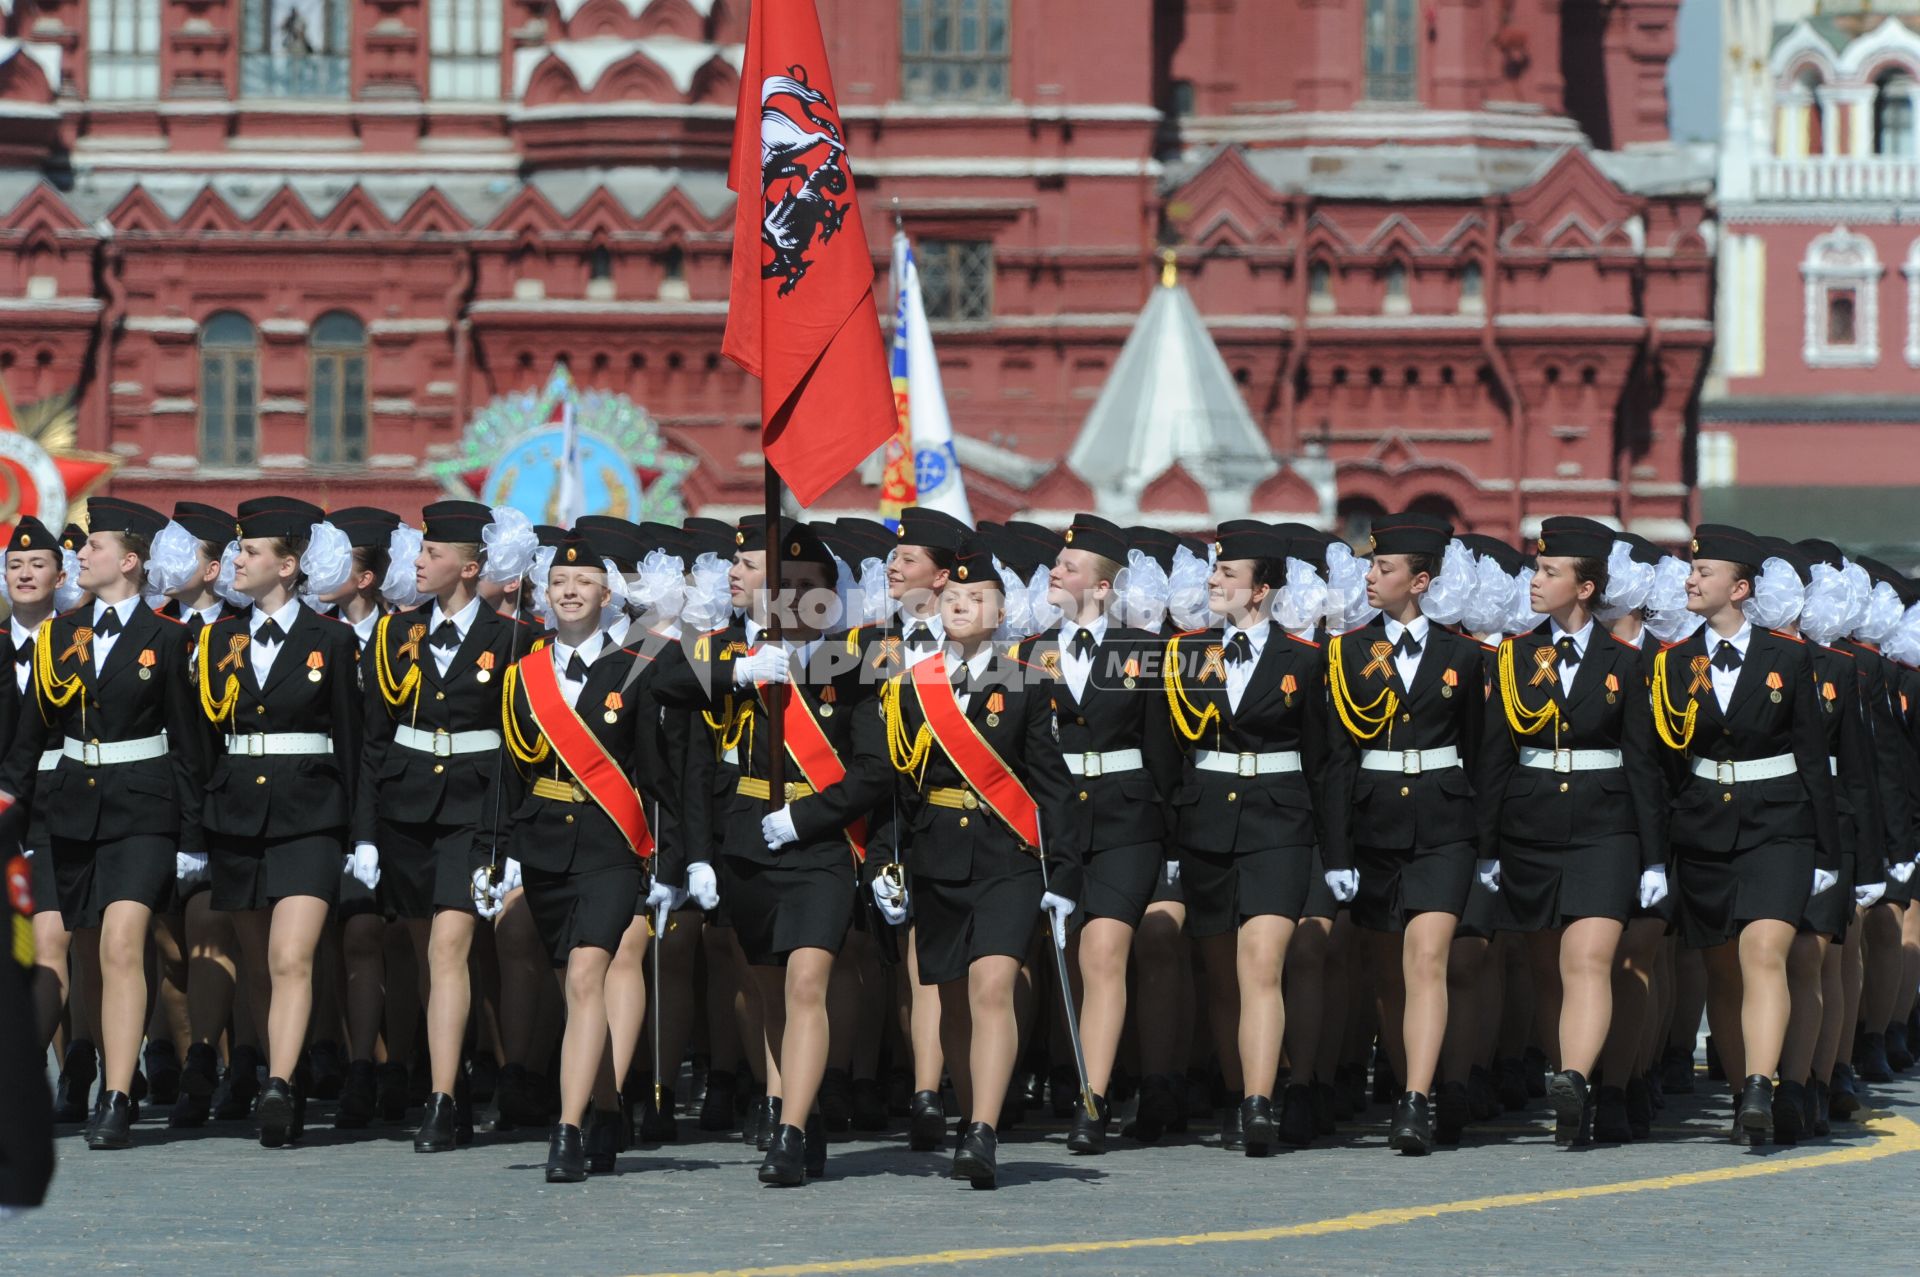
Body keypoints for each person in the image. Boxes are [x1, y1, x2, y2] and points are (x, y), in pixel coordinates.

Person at [679, 518, 889, 1185]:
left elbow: (875, 768)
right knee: (768, 990)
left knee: (806, 983)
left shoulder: (855, 663)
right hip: (748, 839)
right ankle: (801, 1108)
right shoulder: (740, 657)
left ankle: (792, 1130)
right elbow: (663, 686)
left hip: (821, 843)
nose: (795, 598)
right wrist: (738, 671)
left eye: (808, 586)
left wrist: (807, 818)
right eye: (784, 586)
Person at [0, 496, 211, 1151]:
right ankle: (93, 1075)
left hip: (144, 811)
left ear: (128, 560)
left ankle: (117, 1094)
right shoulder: (59, 636)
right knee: (87, 950)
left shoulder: (170, 638)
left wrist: (194, 838)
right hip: (71, 812)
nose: (78, 554)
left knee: (123, 942)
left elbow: (189, 745)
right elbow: (30, 738)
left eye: (91, 546)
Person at [874, 535, 1084, 1188]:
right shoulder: (912, 688)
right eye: (954, 596)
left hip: (1006, 858)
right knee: (956, 1001)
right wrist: (888, 859)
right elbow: (896, 787)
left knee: (994, 986)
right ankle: (972, 1113)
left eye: (977, 597)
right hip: (938, 857)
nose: (962, 605)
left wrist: (1064, 875)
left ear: (1001, 612)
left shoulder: (1026, 685)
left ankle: (985, 1129)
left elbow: (1053, 787)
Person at [1476, 517, 1667, 1146]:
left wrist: (1653, 858)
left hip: (1606, 826)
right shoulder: (1513, 655)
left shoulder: (1628, 662)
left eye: (1549, 572)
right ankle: (1572, 1080)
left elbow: (1642, 763)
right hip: (1529, 824)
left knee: (1588, 960)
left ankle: (1581, 1080)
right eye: (1537, 569)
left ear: (1584, 587)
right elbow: (1496, 757)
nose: (1534, 581)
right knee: (1546, 969)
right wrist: (1488, 848)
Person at [357, 500, 539, 1152]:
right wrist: (367, 833)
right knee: (424, 953)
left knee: (447, 948)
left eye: (431, 553)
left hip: (475, 810)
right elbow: (374, 743)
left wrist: (512, 834)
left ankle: (439, 1098)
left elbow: (522, 743)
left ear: (468, 566)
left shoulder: (515, 637)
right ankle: (454, 1081)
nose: (418, 561)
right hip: (407, 811)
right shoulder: (391, 634)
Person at [1650, 524, 1840, 1145]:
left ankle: (1763, 1082)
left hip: (1778, 822)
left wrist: (1827, 851)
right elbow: (1666, 764)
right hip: (1704, 825)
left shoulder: (1790, 656)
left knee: (1764, 955)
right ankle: (1741, 1093)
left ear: (1740, 587)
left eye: (1704, 574)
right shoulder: (1672, 662)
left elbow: (1812, 756)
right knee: (1724, 971)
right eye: (1692, 571)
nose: (1691, 580)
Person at [497, 527, 668, 1181]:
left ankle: (565, 1129)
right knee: (574, 982)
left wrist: (672, 859)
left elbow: (657, 774)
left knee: (588, 974)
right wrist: (507, 853)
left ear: (607, 593)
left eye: (584, 582)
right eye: (560, 582)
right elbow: (511, 770)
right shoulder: (523, 674)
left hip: (610, 845)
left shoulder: (639, 663)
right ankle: (604, 1105)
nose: (570, 591)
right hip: (543, 843)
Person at [197, 497, 363, 1147]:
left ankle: (281, 1083)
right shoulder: (216, 638)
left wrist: (363, 833)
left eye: (249, 551)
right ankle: (275, 1074)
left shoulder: (334, 640)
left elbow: (355, 744)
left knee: (291, 955)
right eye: (237, 550)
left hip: (311, 812)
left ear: (287, 565)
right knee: (259, 963)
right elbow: (202, 740)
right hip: (236, 811)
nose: (235, 560)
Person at [1163, 521, 1329, 1155]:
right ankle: (1239, 1096)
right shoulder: (1181, 656)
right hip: (1206, 821)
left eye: (1228, 574)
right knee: (1220, 973)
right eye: (1215, 571)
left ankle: (1262, 1102)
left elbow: (1323, 760)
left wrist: (1330, 850)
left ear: (1261, 590)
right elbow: (1170, 751)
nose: (1213, 581)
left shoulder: (1306, 659)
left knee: (1260, 963)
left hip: (1280, 823)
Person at [1323, 511, 1484, 1156]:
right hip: (1374, 821)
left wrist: (1487, 844)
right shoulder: (1346, 652)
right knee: (1388, 970)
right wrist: (1337, 850)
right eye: (1370, 565)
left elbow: (1481, 753)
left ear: (1419, 582)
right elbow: (1336, 759)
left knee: (1426, 958)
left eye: (1383, 568)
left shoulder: (1464, 655)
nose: (1370, 576)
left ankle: (1416, 1099)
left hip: (1445, 822)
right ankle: (1409, 1079)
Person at [1016, 514, 1178, 1155]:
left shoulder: (1147, 652)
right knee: (1064, 960)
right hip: (1055, 823)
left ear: (1104, 587)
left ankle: (1092, 1099)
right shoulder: (1028, 652)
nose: (1055, 572)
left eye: (1070, 566)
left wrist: (1170, 844)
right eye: (1056, 564)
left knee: (1101, 954)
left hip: (1125, 819)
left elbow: (1163, 754)